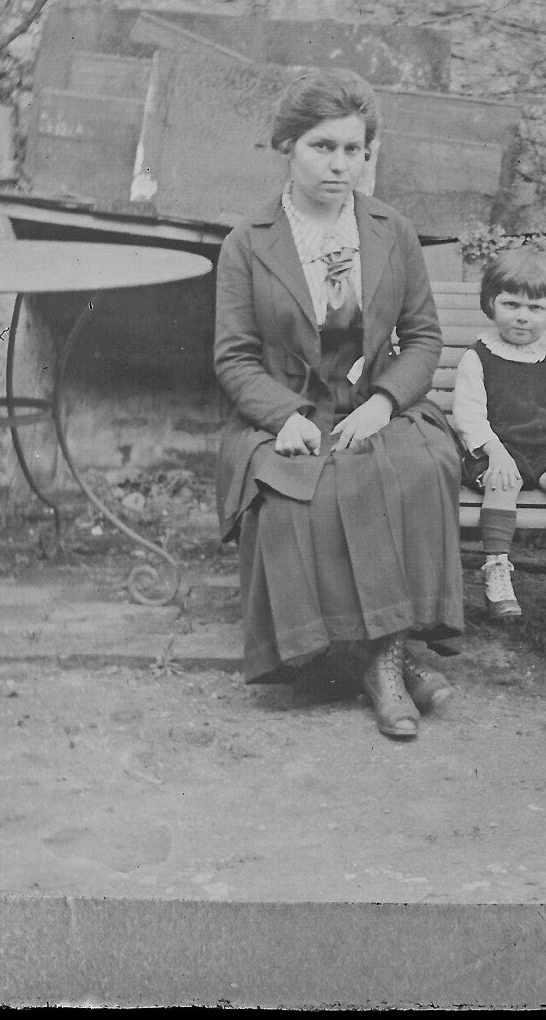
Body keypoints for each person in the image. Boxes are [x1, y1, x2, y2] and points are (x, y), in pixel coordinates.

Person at [214, 68, 465, 741]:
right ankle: (378, 662)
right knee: (299, 496)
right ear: (287, 147)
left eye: (354, 149)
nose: (340, 164)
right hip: (288, 411)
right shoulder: (249, 242)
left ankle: (383, 660)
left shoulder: (391, 230)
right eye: (322, 146)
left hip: (373, 401)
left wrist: (385, 402)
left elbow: (424, 337)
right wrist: (284, 416)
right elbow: (234, 357)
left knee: (417, 468)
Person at [453, 248, 546, 619]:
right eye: (511, 304)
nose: (522, 316)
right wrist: (494, 452)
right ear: (491, 303)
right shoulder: (478, 356)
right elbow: (468, 414)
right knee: (502, 481)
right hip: (498, 449)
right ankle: (497, 568)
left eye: (535, 308)